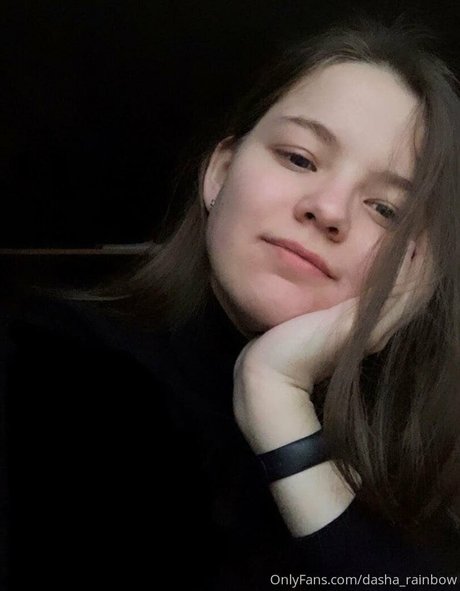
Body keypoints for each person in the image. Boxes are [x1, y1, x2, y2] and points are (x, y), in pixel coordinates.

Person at [2, 15, 460, 591]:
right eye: (299, 158)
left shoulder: (417, 455)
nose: (329, 209)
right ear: (219, 174)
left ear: (418, 267)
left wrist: (276, 397)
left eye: (387, 210)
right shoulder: (42, 367)